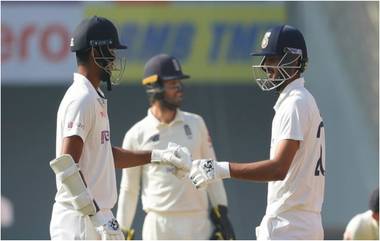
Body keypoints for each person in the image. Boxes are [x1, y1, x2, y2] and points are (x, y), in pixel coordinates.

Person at [49, 16, 191, 240]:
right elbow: (66, 165)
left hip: (91, 215)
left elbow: (104, 156)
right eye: (112, 52)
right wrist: (95, 216)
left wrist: (158, 155)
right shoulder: (81, 98)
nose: (115, 59)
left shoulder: (93, 96)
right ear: (97, 53)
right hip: (79, 219)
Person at [189, 24, 326, 240]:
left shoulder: (295, 103)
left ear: (295, 60)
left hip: (289, 225)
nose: (265, 66)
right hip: (298, 222)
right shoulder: (301, 100)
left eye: (273, 59)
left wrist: (221, 169)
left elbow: (278, 169)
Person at [116, 54, 235, 240]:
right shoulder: (136, 134)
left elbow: (213, 170)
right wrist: (121, 230)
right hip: (159, 225)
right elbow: (129, 189)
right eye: (172, 84)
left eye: (179, 83)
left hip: (198, 223)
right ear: (154, 87)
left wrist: (223, 214)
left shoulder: (196, 123)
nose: (179, 89)